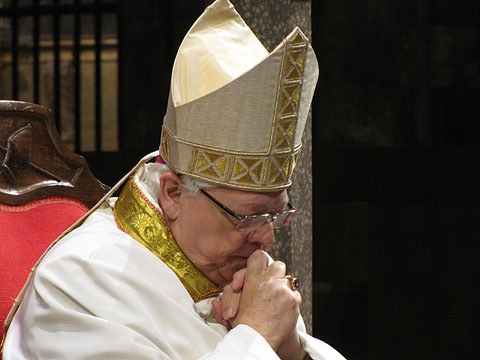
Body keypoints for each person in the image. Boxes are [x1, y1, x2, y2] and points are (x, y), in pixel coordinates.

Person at [2, 0, 346, 359]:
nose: (268, 237)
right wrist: (256, 335)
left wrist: (290, 346)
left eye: (278, 214)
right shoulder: (84, 275)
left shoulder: (237, 276)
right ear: (172, 193)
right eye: (249, 216)